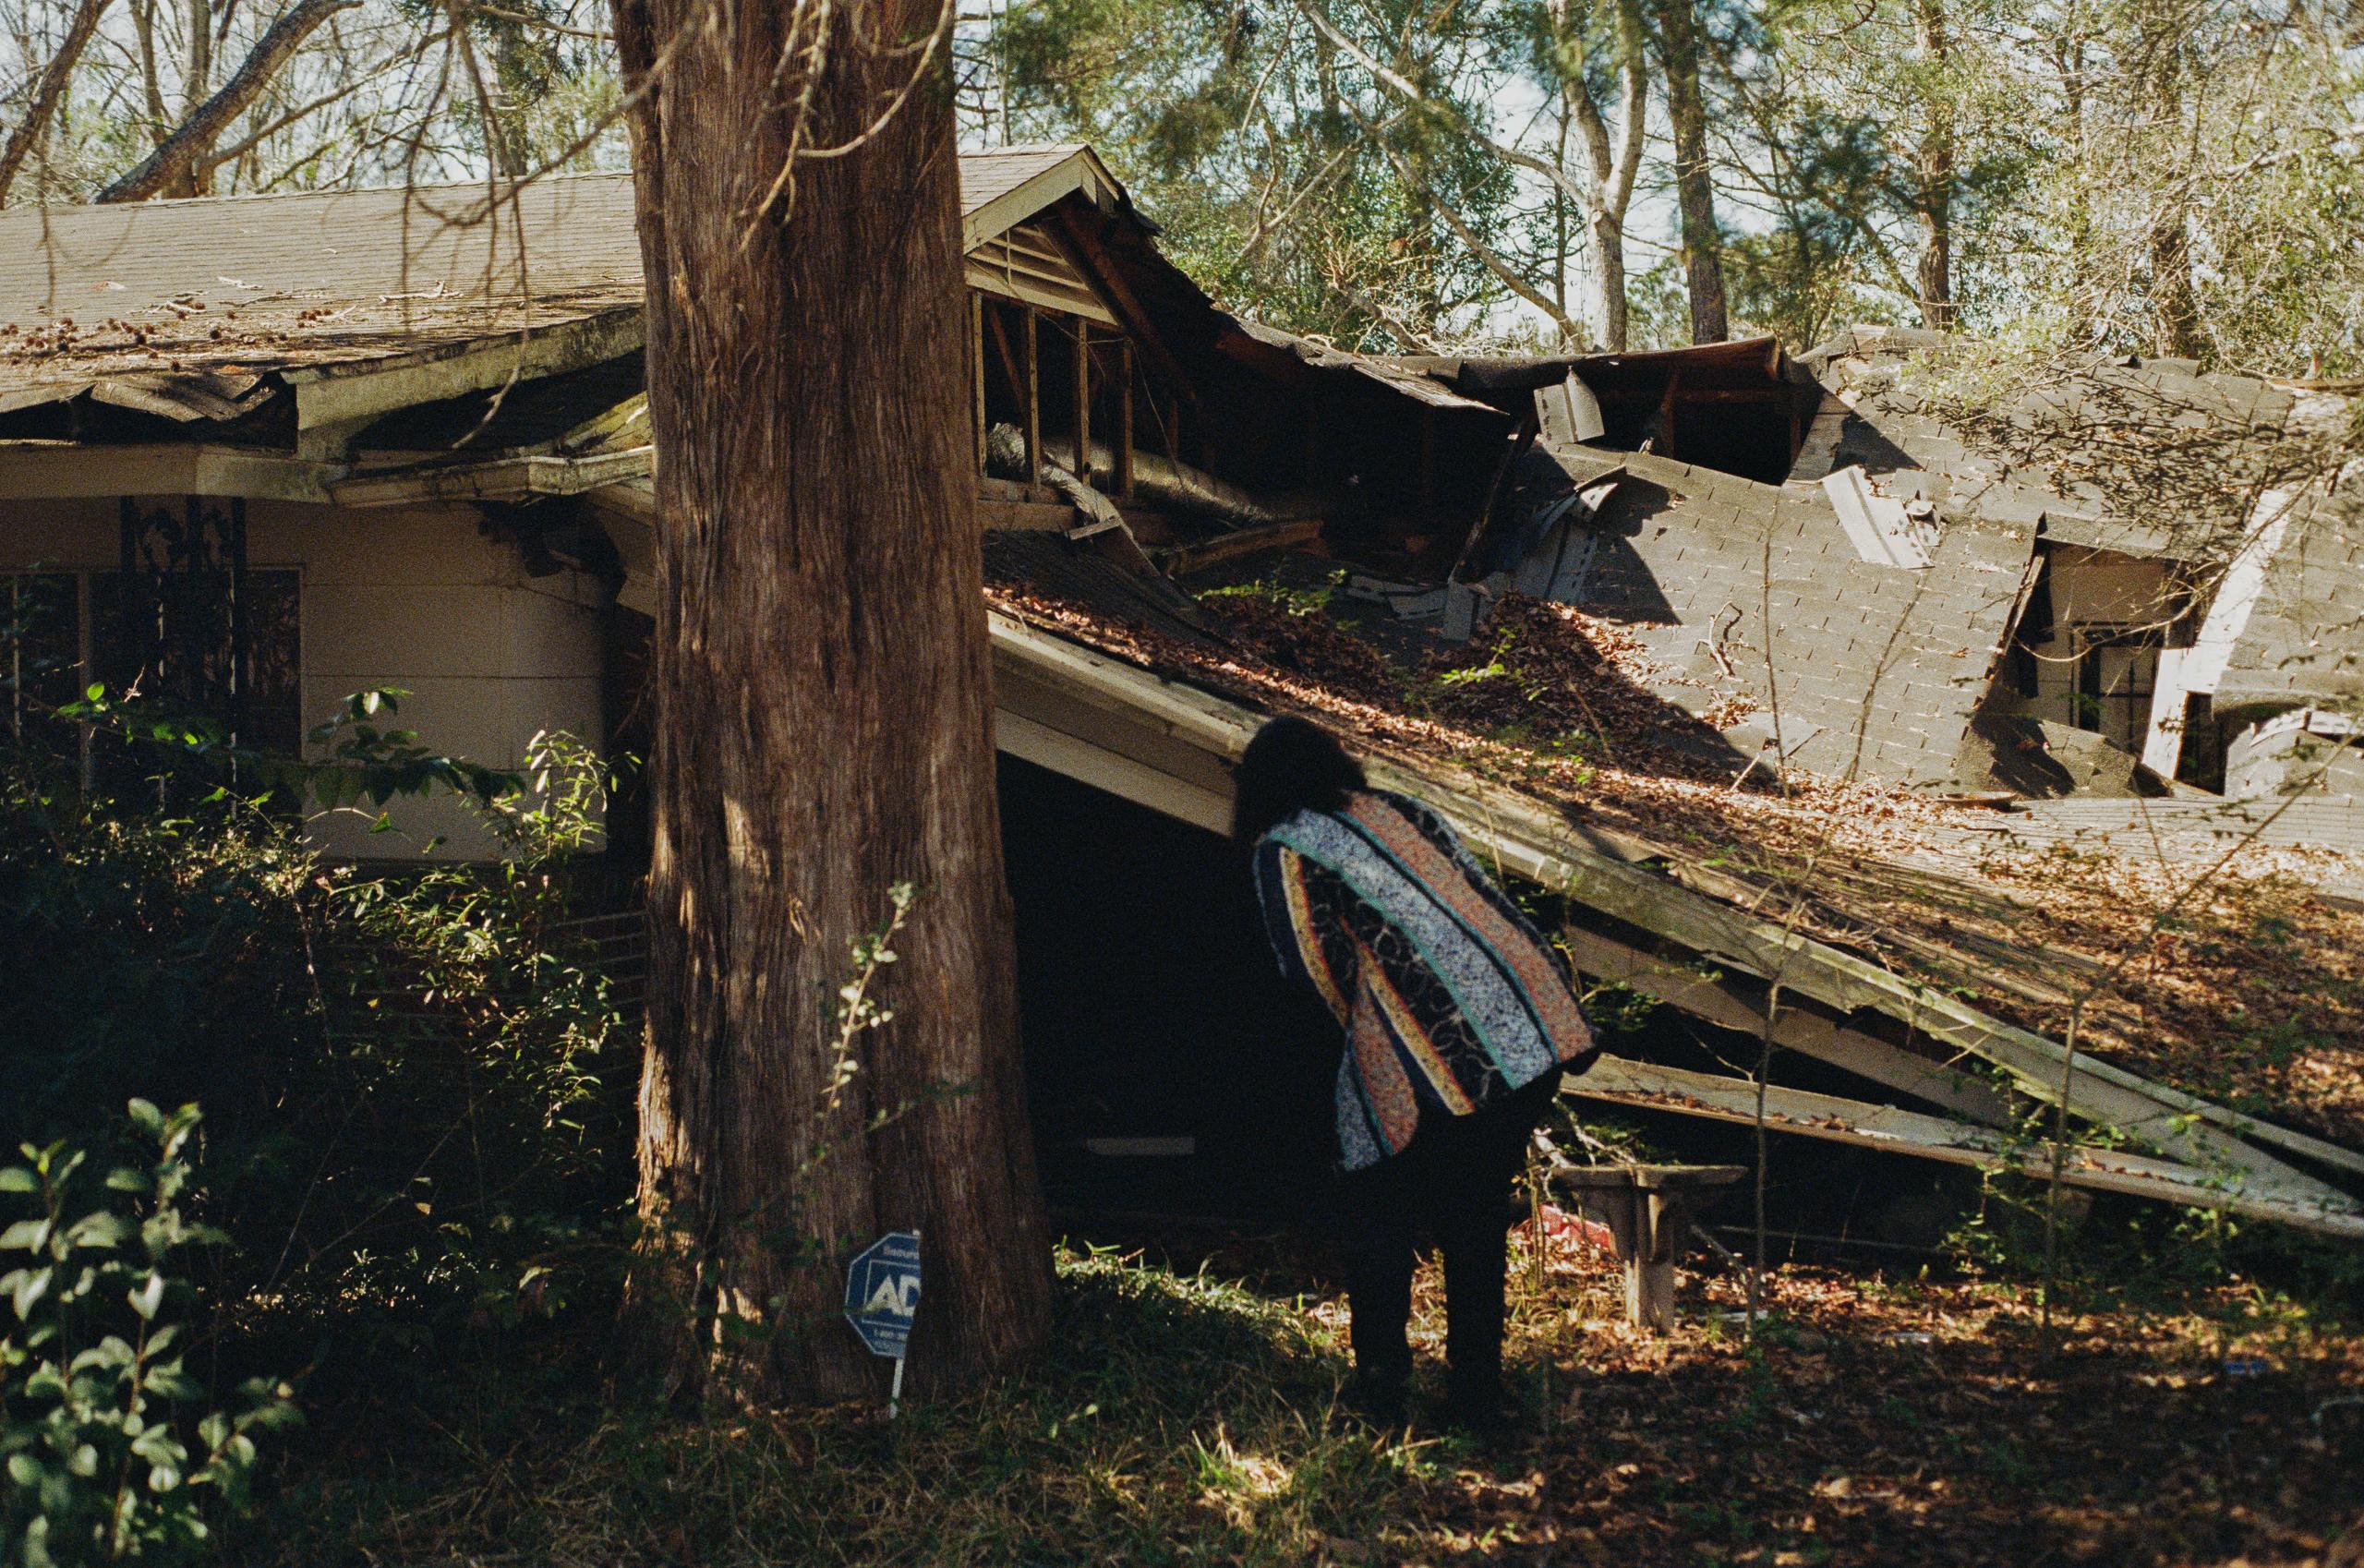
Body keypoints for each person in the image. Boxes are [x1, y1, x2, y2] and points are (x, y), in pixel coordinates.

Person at [1235, 715, 1599, 1432]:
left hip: (1442, 1045)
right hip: (1534, 1026)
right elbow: (1479, 902)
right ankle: (1477, 1393)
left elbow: (1311, 973)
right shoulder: (1406, 810)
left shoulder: (1285, 847)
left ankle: (1380, 1391)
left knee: (1378, 1212)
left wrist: (1365, 1038)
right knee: (1475, 1220)